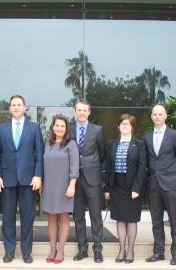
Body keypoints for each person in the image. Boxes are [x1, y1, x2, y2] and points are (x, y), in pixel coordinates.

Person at [0, 95, 44, 264]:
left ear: (24, 107)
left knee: (27, 218)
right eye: (13, 105)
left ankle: (26, 252)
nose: (16, 107)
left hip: (28, 179)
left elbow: (39, 155)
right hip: (6, 180)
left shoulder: (34, 128)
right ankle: (9, 251)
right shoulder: (1, 129)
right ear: (9, 108)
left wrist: (38, 175)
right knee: (7, 218)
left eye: (19, 105)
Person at [143, 104, 176, 265]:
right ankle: (158, 252)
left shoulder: (175, 135)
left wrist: (175, 174)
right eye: (154, 114)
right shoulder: (146, 138)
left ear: (165, 116)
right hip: (153, 184)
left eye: (160, 114)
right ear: (151, 116)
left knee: (175, 220)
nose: (157, 117)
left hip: (170, 183)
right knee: (156, 220)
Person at [104, 114, 146, 264]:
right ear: (118, 126)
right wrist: (107, 189)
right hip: (116, 186)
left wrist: (137, 188)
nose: (125, 126)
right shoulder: (112, 144)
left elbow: (142, 168)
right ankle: (121, 249)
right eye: (122, 124)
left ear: (132, 127)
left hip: (132, 187)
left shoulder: (139, 144)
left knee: (131, 219)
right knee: (120, 219)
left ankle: (130, 250)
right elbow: (108, 167)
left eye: (128, 124)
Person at [71, 99, 106, 263]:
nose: (82, 113)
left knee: (95, 215)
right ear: (75, 111)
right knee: (78, 216)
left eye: (85, 110)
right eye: (79, 110)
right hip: (74, 179)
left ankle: (97, 249)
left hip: (92, 178)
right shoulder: (69, 129)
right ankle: (82, 249)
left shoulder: (97, 130)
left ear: (89, 112)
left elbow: (103, 154)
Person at [40, 115, 79, 264]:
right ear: (53, 127)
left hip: (65, 186)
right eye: (57, 125)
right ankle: (52, 249)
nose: (59, 128)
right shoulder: (48, 144)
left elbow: (74, 166)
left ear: (66, 128)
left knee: (63, 217)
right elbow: (43, 164)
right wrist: (42, 181)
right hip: (49, 185)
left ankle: (61, 250)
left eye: (62, 126)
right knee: (51, 218)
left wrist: (72, 184)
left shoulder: (71, 144)